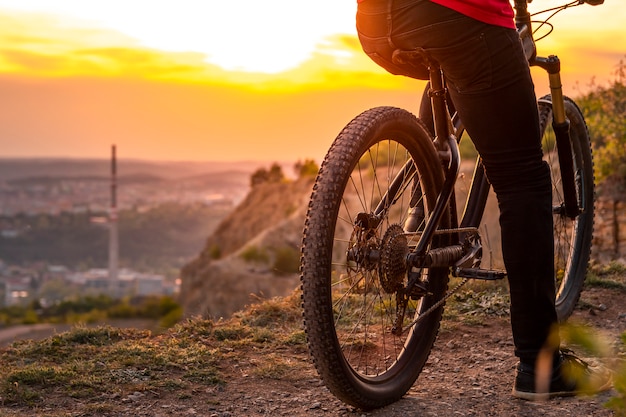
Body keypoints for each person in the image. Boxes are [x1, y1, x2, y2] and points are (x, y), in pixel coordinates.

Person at [355, 0, 611, 400]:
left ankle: (423, 219)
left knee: (454, 66)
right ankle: (540, 365)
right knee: (524, 177)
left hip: (376, 23)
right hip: (460, 16)